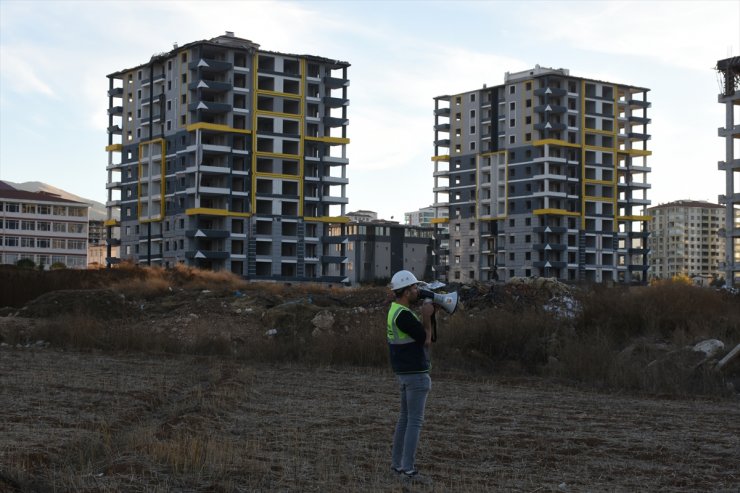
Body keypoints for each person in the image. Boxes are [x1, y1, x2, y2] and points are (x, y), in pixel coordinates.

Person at [386, 269, 436, 485]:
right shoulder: (405, 315)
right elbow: (426, 340)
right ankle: (408, 471)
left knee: (405, 420)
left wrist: (430, 317)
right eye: (414, 287)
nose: (418, 290)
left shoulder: (395, 310)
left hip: (404, 372)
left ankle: (397, 466)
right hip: (415, 374)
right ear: (406, 291)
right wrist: (427, 317)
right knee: (414, 422)